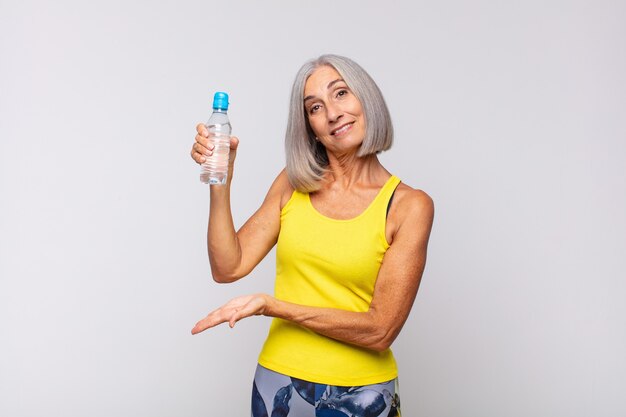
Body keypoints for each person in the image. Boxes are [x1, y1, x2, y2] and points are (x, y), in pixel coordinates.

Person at [189, 54, 434, 417]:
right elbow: (228, 265)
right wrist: (220, 178)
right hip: (278, 382)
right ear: (309, 127)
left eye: (341, 94)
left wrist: (273, 306)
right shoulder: (293, 184)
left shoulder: (408, 206)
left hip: (363, 392)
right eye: (315, 107)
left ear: (366, 100)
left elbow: (380, 330)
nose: (333, 113)